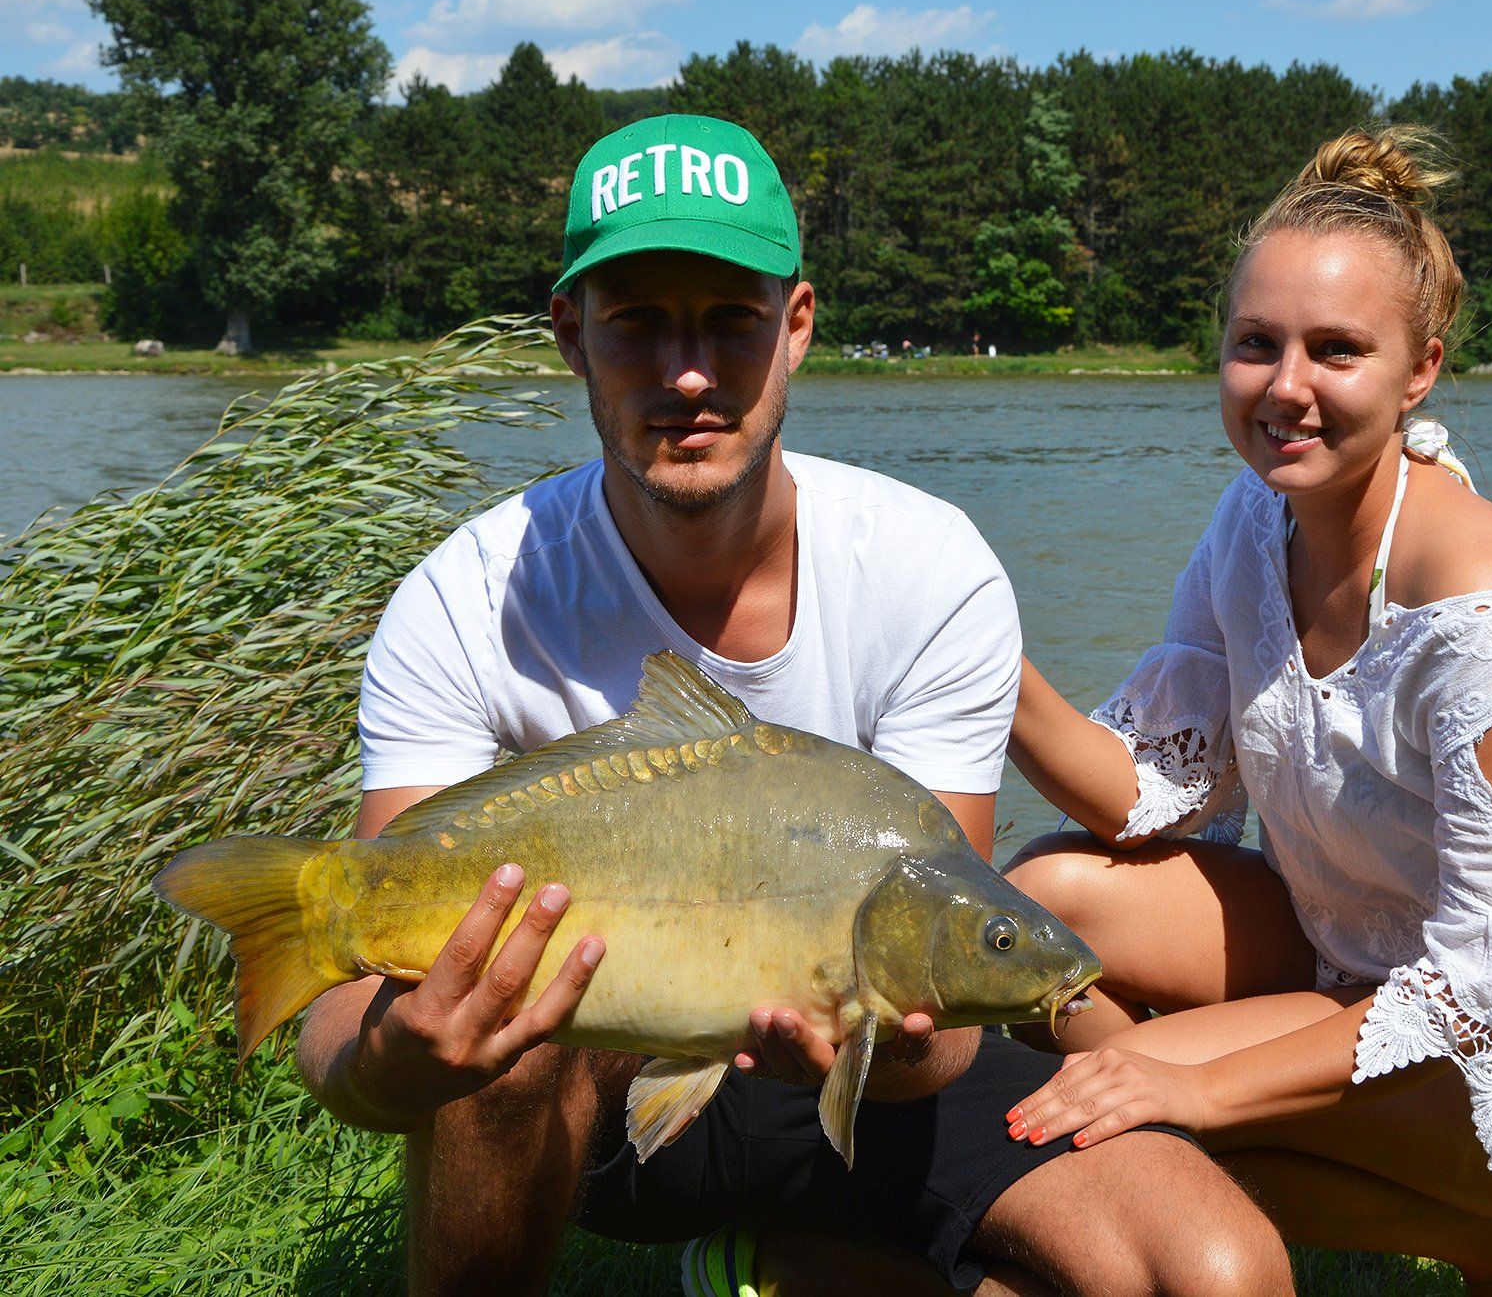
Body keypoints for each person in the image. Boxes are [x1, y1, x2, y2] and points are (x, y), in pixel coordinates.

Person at [293, 113, 1288, 1297]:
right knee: (500, 1048)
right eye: (639, 325)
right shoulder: (468, 596)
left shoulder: (930, 567)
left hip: (873, 1086)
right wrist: (405, 1059)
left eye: (730, 322)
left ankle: (782, 1269)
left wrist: (891, 1039)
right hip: (596, 1082)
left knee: (1217, 1276)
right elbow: (342, 1033)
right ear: (571, 336)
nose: (690, 374)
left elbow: (949, 1013)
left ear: (798, 325)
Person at [1001, 125, 1492, 1295]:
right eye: (1255, 345)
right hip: (1357, 953)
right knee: (1037, 920)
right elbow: (1150, 795)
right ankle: (1483, 1240)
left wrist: (1185, 1081)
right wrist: (989, 671)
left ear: (1419, 370)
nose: (1286, 388)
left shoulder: (1485, 601)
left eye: (1336, 350)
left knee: (1135, 1110)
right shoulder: (1252, 521)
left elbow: (1487, 984)